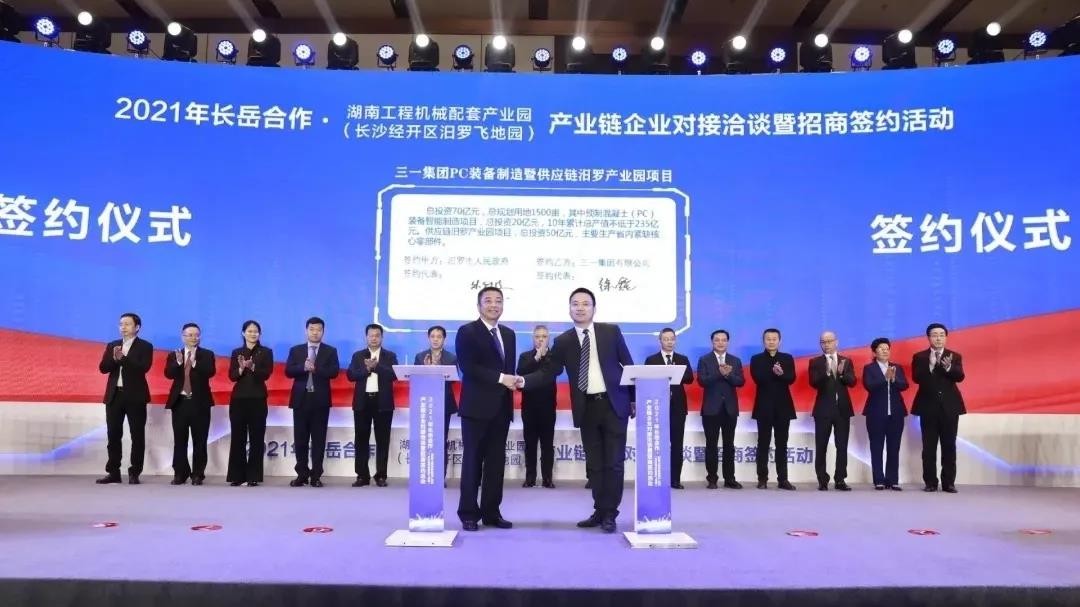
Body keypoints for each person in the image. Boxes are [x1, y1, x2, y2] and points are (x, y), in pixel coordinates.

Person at [519, 287, 634, 533]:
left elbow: (628, 364)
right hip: (587, 407)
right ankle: (600, 510)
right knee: (595, 465)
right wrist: (524, 381)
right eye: (575, 304)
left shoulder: (611, 332)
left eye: (585, 304)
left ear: (594, 308)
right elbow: (549, 372)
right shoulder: (564, 341)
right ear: (569, 309)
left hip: (614, 405)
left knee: (614, 463)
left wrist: (633, 399)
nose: (580, 308)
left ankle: (610, 513)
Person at [455, 287, 517, 531]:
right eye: (488, 301)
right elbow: (468, 367)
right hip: (475, 409)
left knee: (495, 464)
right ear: (479, 305)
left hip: (501, 408)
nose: (494, 305)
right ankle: (469, 513)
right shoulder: (467, 331)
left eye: (498, 301)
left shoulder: (509, 334)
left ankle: (492, 512)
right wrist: (501, 378)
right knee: (472, 462)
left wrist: (513, 381)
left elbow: (509, 370)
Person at [97, 312, 153, 485]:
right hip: (114, 396)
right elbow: (103, 368)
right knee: (113, 435)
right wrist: (114, 359)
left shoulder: (145, 346)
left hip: (136, 396)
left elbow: (143, 368)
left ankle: (134, 472)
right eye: (121, 324)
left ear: (137, 327)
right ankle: (113, 472)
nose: (123, 327)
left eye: (127, 324)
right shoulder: (113, 345)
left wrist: (123, 359)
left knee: (137, 435)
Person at [284, 317, 340, 488]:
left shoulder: (330, 351)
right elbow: (288, 371)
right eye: (312, 329)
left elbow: (334, 372)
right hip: (300, 400)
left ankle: (316, 476)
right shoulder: (296, 350)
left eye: (319, 330)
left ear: (323, 331)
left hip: (320, 401)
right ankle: (301, 474)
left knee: (318, 440)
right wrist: (303, 367)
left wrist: (316, 369)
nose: (315, 332)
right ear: (306, 330)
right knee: (300, 440)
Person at [912, 322, 966, 493]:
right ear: (929, 338)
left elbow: (960, 376)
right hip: (928, 407)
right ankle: (930, 482)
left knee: (949, 446)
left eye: (942, 335)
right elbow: (916, 378)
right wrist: (930, 365)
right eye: (935, 335)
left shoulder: (954, 356)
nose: (938, 338)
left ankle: (948, 482)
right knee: (929, 447)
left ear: (946, 337)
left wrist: (948, 367)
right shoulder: (920, 357)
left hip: (950, 407)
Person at [164, 323, 216, 486]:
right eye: (190, 335)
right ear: (183, 337)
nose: (194, 338)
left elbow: (210, 372)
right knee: (180, 441)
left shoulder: (207, 354)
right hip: (180, 403)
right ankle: (180, 473)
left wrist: (193, 362)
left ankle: (198, 474)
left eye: (197, 335)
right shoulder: (175, 354)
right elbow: (168, 374)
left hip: (200, 403)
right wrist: (179, 363)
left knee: (200, 440)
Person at [347, 323, 399, 487]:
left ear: (382, 337)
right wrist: (367, 369)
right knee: (361, 439)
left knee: (382, 440)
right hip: (362, 402)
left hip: (383, 402)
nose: (374, 338)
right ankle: (362, 475)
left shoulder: (389, 356)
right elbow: (351, 375)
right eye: (371, 335)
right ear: (366, 337)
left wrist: (376, 367)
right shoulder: (358, 355)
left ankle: (381, 475)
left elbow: (393, 375)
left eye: (377, 335)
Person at [644, 328, 694, 489]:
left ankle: (675, 479)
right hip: (657, 407)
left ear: (675, 340)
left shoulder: (682, 359)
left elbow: (690, 378)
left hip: (678, 407)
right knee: (658, 445)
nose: (669, 342)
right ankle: (658, 478)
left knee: (677, 444)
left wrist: (674, 373)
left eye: (672, 339)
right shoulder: (651, 360)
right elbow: (646, 380)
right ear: (660, 341)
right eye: (666, 339)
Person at [808, 330, 856, 491]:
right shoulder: (815, 362)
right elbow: (814, 383)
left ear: (836, 342)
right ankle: (822, 479)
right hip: (823, 410)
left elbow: (852, 382)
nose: (826, 344)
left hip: (842, 410)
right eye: (823, 342)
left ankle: (840, 479)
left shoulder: (846, 361)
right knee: (821, 446)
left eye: (829, 341)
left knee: (842, 446)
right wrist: (827, 372)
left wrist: (841, 374)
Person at [749, 328, 797, 490]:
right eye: (768, 339)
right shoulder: (756, 359)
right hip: (763, 407)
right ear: (764, 341)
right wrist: (774, 372)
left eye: (774, 339)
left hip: (783, 407)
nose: (771, 341)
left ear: (779, 341)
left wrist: (781, 373)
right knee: (763, 443)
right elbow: (758, 378)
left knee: (782, 444)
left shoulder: (787, 358)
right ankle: (762, 478)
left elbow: (791, 378)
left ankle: (783, 479)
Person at [226, 320, 273, 487]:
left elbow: (266, 374)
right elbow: (232, 376)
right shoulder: (237, 352)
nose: (253, 334)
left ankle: (254, 475)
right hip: (238, 399)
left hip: (258, 399)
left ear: (260, 334)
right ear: (243, 333)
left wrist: (252, 367)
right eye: (250, 331)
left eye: (256, 331)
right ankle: (237, 476)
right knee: (238, 437)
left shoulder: (266, 352)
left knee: (256, 438)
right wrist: (240, 368)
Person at [696, 329, 744, 490]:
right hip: (711, 409)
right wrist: (720, 373)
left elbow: (740, 381)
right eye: (717, 340)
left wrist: (728, 375)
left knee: (729, 445)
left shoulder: (735, 360)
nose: (720, 343)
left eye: (724, 340)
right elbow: (702, 381)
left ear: (728, 342)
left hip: (730, 409)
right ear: (712, 342)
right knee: (711, 445)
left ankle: (730, 478)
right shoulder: (704, 360)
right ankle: (712, 479)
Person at [862, 337, 909, 490]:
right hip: (875, 414)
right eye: (881, 349)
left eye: (887, 349)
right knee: (876, 447)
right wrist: (885, 378)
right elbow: (869, 386)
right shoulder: (869, 368)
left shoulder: (897, 367)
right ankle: (879, 480)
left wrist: (894, 379)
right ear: (874, 352)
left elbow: (904, 385)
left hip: (896, 413)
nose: (885, 351)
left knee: (894, 447)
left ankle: (892, 480)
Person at [414, 325, 457, 480]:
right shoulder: (420, 357)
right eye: (433, 336)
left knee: (440, 440)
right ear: (428, 338)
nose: (435, 339)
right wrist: (426, 370)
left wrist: (436, 369)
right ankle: (425, 474)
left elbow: (452, 380)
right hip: (425, 403)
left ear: (444, 339)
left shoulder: (451, 358)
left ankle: (440, 476)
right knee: (426, 440)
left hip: (444, 404)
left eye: (439, 337)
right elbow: (416, 379)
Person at [517, 325, 557, 488]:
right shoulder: (525, 356)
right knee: (530, 444)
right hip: (529, 407)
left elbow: (553, 372)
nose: (541, 339)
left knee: (547, 444)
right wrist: (536, 358)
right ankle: (530, 478)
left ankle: (547, 478)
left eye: (544, 336)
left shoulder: (554, 357)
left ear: (549, 338)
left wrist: (544, 356)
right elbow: (521, 373)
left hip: (548, 407)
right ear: (533, 338)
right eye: (537, 336)